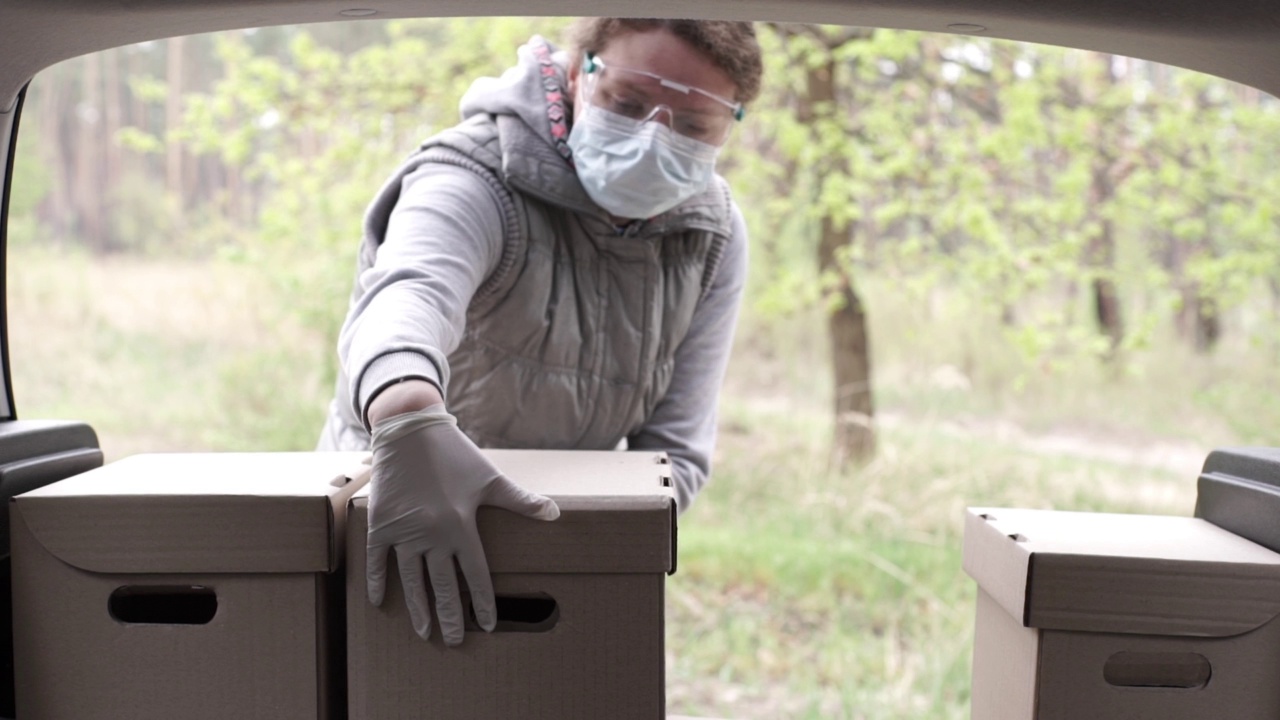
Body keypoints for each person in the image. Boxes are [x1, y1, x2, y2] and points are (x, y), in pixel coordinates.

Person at [317, 18, 764, 646]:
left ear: (732, 124)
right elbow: (407, 296)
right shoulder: (475, 176)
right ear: (580, 71)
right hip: (391, 527)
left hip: (560, 561)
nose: (652, 140)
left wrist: (572, 555)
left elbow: (676, 453)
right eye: (627, 104)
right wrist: (407, 412)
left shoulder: (710, 237)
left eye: (693, 126)